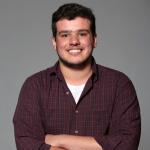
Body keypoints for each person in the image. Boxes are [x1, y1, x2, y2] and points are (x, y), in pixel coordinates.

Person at [13, 3, 141, 150]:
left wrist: (58, 140)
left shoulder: (119, 84)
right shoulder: (34, 86)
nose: (74, 41)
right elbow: (26, 143)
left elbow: (127, 144)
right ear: (54, 42)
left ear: (94, 40)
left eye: (82, 34)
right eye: (65, 35)